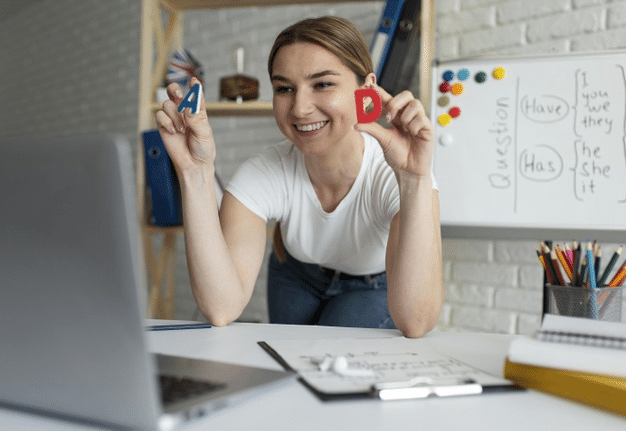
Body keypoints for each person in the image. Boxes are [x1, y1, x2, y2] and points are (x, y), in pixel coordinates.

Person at [155, 16, 443, 338]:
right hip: (294, 274)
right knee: (292, 365)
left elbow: (416, 322)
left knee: (331, 355)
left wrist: (414, 180)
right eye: (285, 88)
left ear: (367, 90)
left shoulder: (395, 172)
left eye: (322, 84)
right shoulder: (265, 171)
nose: (300, 108)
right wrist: (195, 172)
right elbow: (221, 307)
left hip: (374, 282)